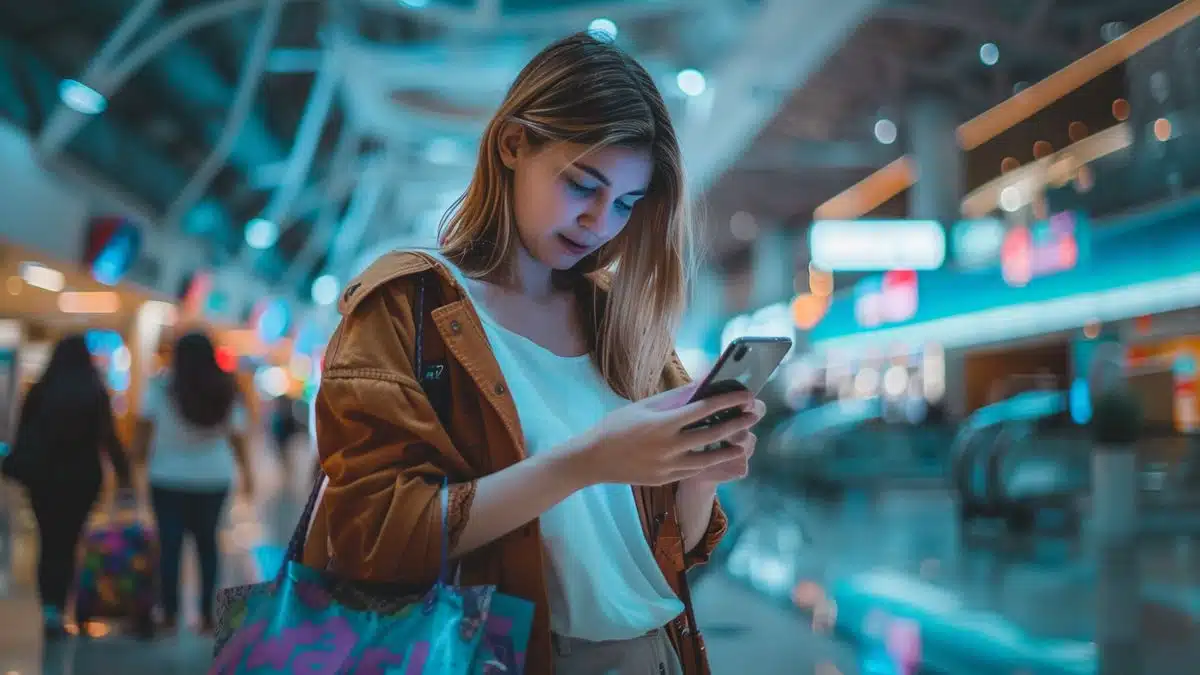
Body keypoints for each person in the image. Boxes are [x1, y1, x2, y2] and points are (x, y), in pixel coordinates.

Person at [303, 32, 763, 675]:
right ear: (513, 144)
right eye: (582, 185)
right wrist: (587, 461)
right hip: (501, 656)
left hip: (657, 653)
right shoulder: (409, 305)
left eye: (627, 203)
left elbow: (672, 553)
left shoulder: (620, 324)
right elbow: (371, 537)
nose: (600, 223)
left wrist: (703, 470)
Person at [7, 334, 131, 638]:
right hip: (82, 479)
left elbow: (23, 434)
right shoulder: (94, 391)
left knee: (48, 541)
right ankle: (63, 606)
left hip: (43, 479)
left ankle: (49, 609)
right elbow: (108, 437)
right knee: (71, 541)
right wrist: (125, 476)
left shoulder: (40, 390)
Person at [133, 331, 251, 634]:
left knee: (170, 546)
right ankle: (207, 616)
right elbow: (237, 436)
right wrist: (247, 471)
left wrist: (135, 466)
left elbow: (143, 430)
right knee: (208, 545)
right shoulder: (226, 388)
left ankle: (169, 614)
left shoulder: (161, 387)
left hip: (166, 477)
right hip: (213, 477)